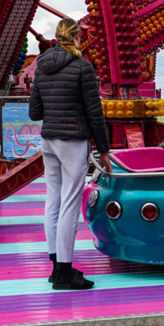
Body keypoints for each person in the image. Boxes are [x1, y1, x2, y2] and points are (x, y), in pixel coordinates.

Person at [29, 18, 110, 290]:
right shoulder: (82, 67)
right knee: (70, 203)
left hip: (48, 141)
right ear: (76, 38)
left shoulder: (41, 67)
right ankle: (65, 272)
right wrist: (105, 150)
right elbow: (94, 113)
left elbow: (35, 113)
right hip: (73, 141)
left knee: (53, 199)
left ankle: (55, 266)